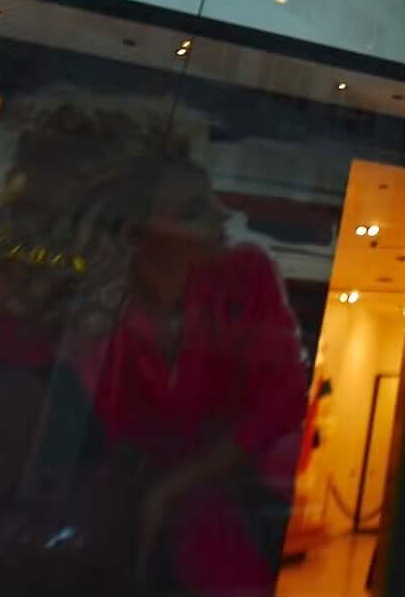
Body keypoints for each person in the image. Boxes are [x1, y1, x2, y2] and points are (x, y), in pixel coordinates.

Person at [78, 155, 310, 596]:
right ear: (136, 236)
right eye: (193, 211)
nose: (223, 216)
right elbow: (104, 428)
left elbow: (285, 397)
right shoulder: (106, 311)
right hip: (136, 501)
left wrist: (175, 487)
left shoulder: (247, 274)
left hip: (228, 493)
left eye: (211, 201)